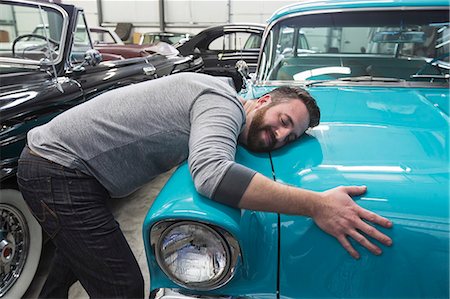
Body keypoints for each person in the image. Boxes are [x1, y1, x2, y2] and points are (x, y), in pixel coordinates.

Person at [17, 72, 392, 298]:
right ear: (260, 100)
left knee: (76, 256)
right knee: (123, 287)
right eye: (281, 120)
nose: (279, 135)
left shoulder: (215, 94)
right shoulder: (221, 103)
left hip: (69, 165)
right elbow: (212, 175)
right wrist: (316, 205)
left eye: (289, 136)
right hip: (58, 169)